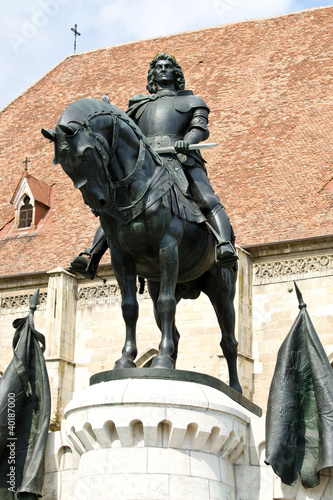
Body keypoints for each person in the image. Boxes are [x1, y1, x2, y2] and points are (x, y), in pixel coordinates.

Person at [70, 53, 238, 279]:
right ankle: (92, 255)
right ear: (152, 74)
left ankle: (224, 245)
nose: (163, 69)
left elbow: (200, 127)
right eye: (158, 66)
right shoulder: (139, 104)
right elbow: (124, 129)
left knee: (207, 198)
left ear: (176, 73)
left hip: (181, 159)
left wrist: (186, 143)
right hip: (148, 163)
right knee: (114, 206)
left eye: (168, 66)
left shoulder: (192, 101)